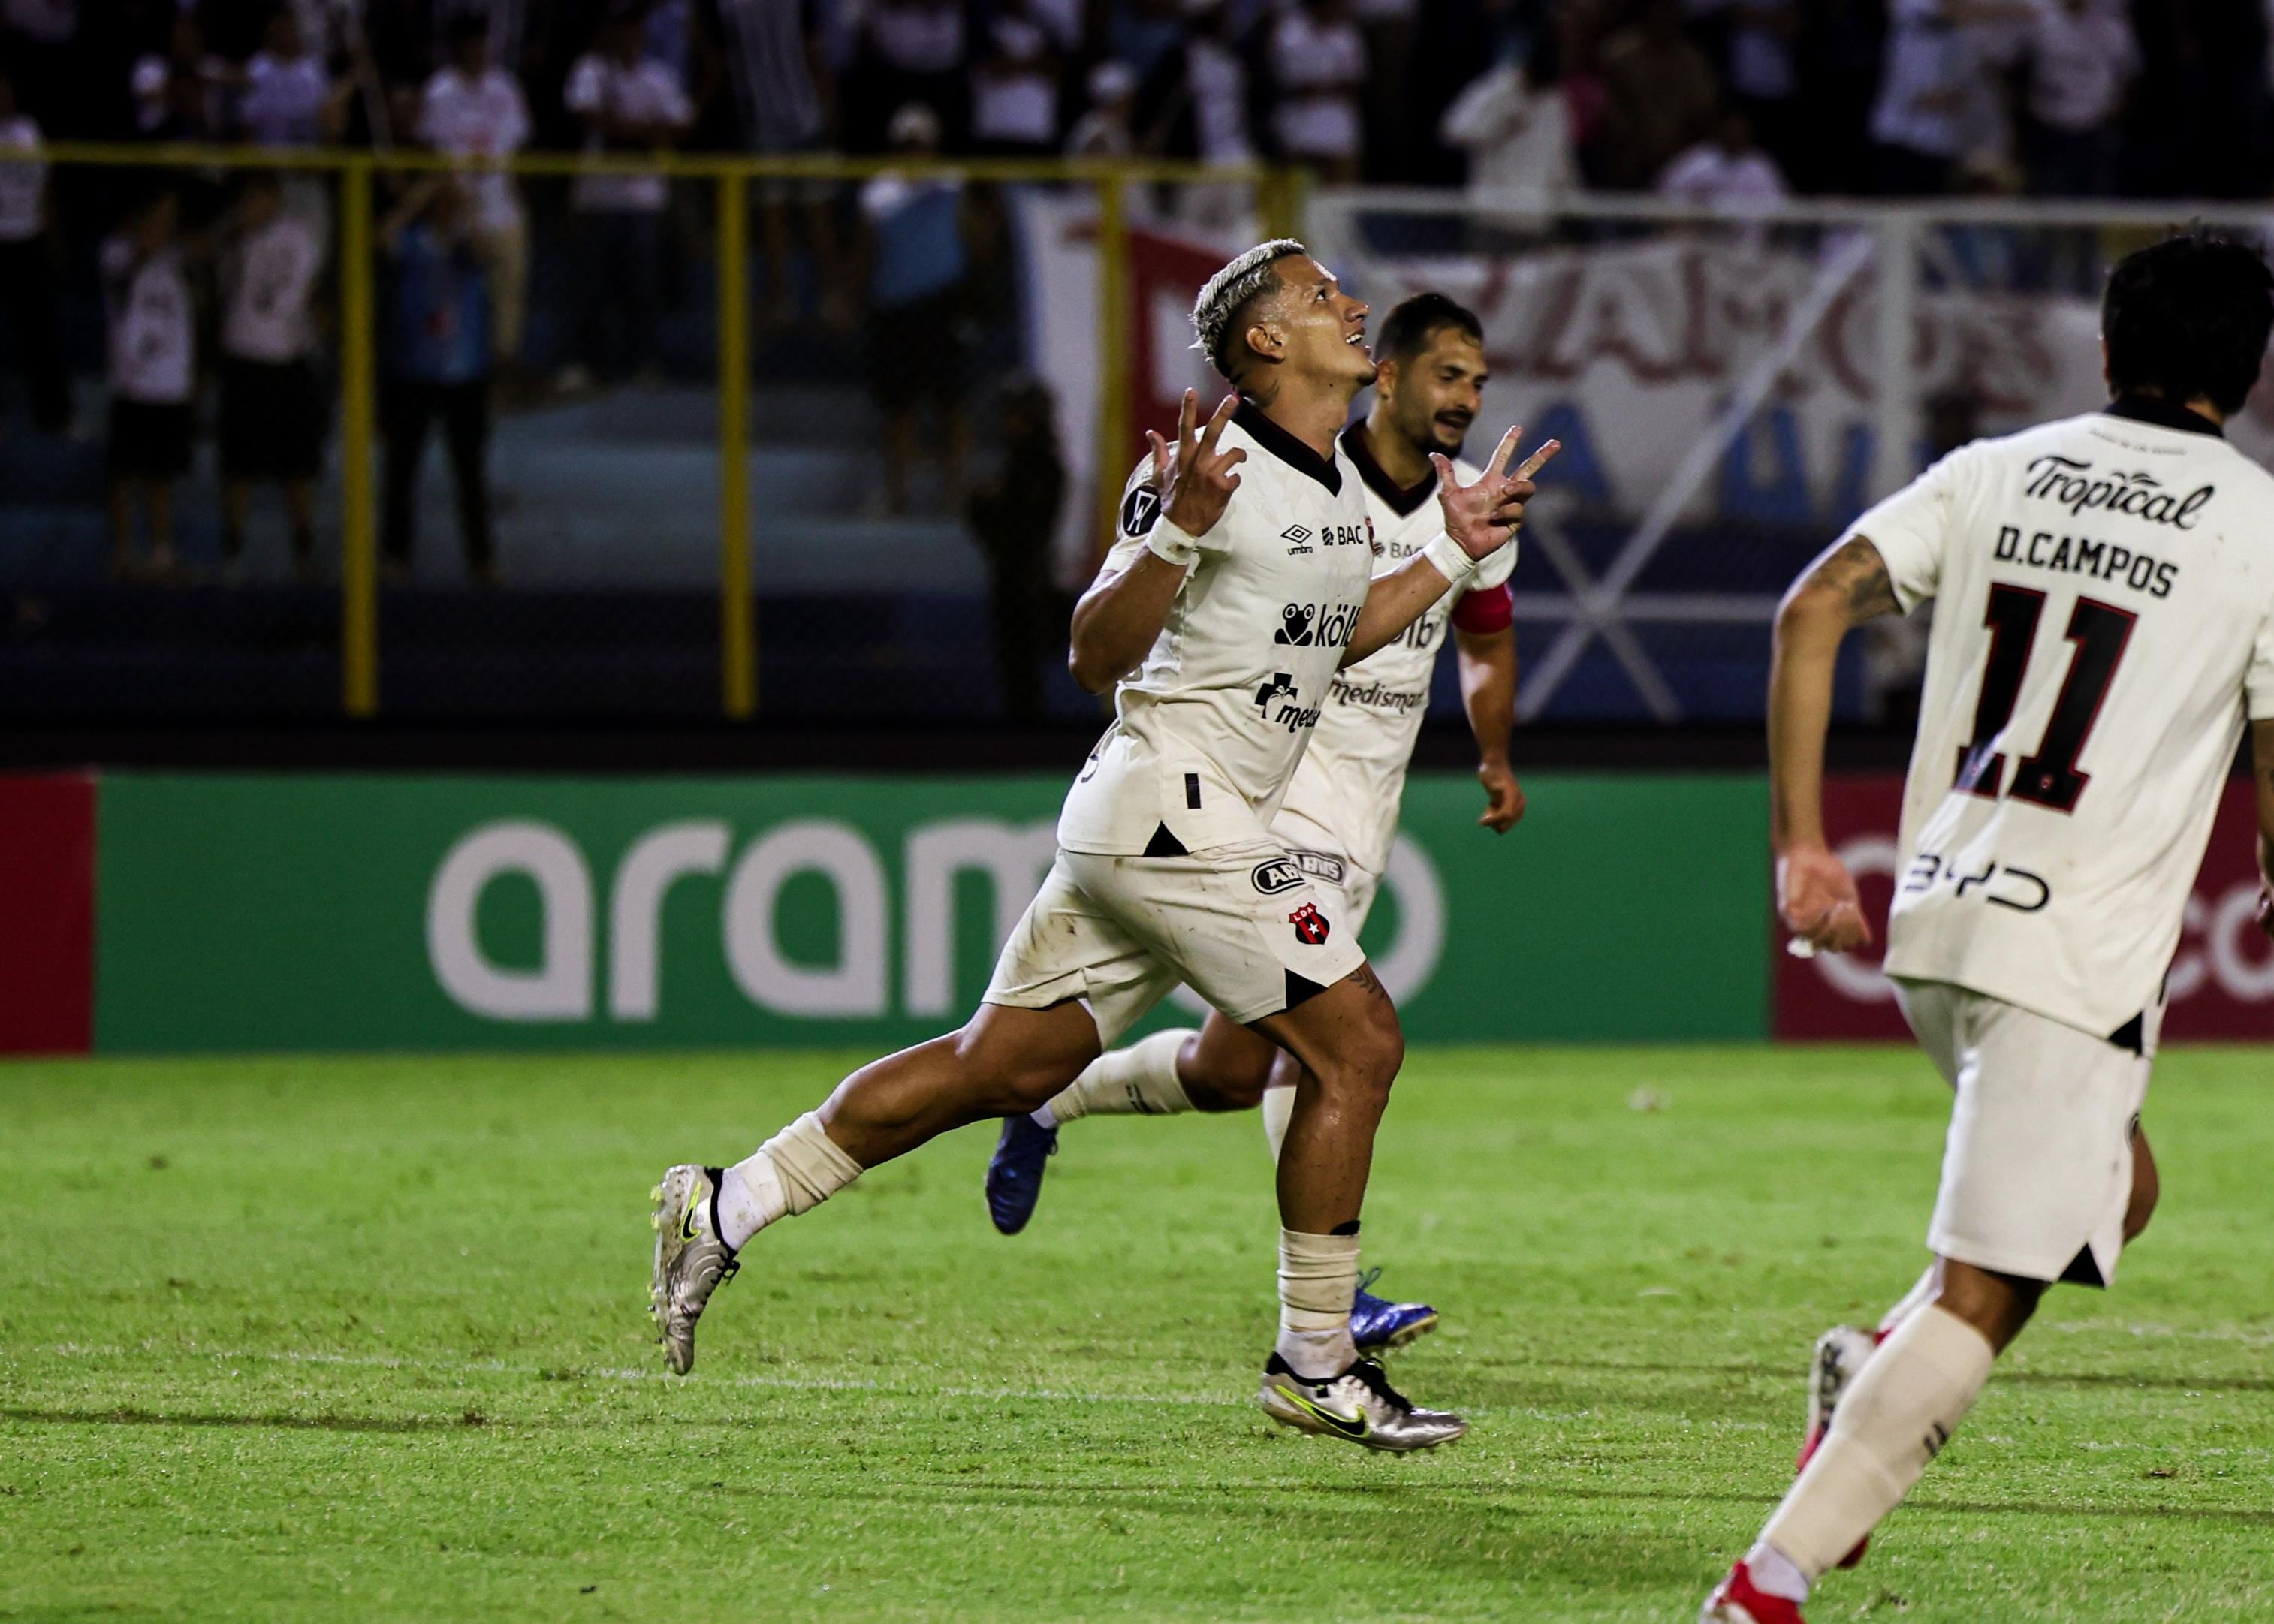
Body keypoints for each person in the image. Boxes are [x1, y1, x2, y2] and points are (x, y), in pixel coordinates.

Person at [650, 240, 1552, 1451]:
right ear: (1267, 342)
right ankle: (1316, 1356)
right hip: (1176, 808)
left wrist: (1445, 547)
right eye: (1319, 293)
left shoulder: (1337, 483)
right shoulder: (1202, 466)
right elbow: (1090, 651)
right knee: (1358, 1044)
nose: (1350, 303)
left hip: (1163, 822)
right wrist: (1172, 530)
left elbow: (1333, 638)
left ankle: (726, 1200)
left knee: (999, 1068)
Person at [1702, 230, 2274, 1621]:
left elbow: (1809, 608)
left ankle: (1868, 1361)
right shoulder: (2257, 524)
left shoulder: (1993, 469)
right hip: (2064, 952)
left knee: (2114, 1187)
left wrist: (1801, 843)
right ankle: (1761, 1587)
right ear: (2249, 373)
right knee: (1988, 1287)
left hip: (1940, 923)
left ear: (2103, 349)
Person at [982, 293, 1529, 1356]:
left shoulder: (1470, 505)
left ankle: (1048, 1101)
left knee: (1234, 1071)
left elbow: (1488, 639)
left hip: (1370, 797)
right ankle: (1326, 1309)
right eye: (1449, 374)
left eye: (1478, 381)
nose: (1465, 397)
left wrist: (1497, 750)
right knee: (1340, 1044)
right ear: (1393, 374)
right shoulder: (1302, 473)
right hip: (1268, 791)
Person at [560, 7, 693, 390]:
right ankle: (585, 363)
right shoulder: (591, 71)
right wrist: (646, 130)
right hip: (596, 198)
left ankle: (643, 362)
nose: (629, 37)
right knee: (590, 287)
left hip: (643, 199)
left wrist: (630, 130)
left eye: (636, 30)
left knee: (643, 288)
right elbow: (590, 117)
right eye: (622, 29)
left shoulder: (658, 76)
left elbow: (682, 124)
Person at [378, 179, 494, 585]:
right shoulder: (412, 244)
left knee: (470, 473)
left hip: (463, 375)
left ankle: (481, 561)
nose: (446, 211)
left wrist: (466, 206)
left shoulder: (469, 247)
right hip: (413, 373)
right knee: (402, 471)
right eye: (440, 205)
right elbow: (385, 235)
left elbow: (485, 249)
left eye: (450, 205)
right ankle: (395, 556)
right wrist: (418, 197)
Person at [859, 101, 971, 513]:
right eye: (908, 145)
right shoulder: (878, 193)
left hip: (942, 307)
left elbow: (971, 235)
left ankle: (955, 492)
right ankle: (897, 492)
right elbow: (866, 252)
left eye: (921, 145)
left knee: (953, 404)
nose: (915, 153)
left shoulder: (952, 185)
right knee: (898, 407)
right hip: (896, 310)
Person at [217, 170, 327, 583]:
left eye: (260, 199)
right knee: (239, 464)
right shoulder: (230, 238)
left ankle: (303, 550)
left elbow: (312, 290)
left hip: (289, 359)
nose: (253, 208)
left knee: (298, 465)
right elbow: (216, 280)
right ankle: (233, 552)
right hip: (243, 357)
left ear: (276, 199)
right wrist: (235, 233)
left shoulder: (298, 239)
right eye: (247, 200)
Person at [418, 14, 532, 372]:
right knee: (449, 290)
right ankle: (449, 361)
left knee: (512, 283)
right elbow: (433, 155)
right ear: (456, 47)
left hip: (501, 203)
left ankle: (504, 362)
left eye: (479, 41)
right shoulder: (440, 90)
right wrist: (464, 216)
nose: (474, 49)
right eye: (467, 42)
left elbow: (518, 146)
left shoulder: (506, 87)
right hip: (456, 207)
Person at [101, 189, 195, 581]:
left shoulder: (179, 259)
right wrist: (150, 244)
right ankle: (122, 553)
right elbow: (123, 273)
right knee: (124, 473)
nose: (163, 222)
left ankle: (161, 552)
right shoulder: (117, 252)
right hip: (133, 384)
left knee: (161, 475)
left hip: (170, 386)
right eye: (157, 214)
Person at [963, 374, 1066, 721]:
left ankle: (1032, 736)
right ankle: (1024, 731)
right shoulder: (1024, 463)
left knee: (1025, 663)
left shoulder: (1040, 466)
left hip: (1031, 577)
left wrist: (987, 504)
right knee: (1015, 665)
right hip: (1015, 575)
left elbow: (1026, 527)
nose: (1010, 423)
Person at [0, 68, 67, 436]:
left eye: (5, 90)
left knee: (40, 333)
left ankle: (54, 414)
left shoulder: (28, 131)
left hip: (27, 239)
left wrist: (53, 239)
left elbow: (46, 187)